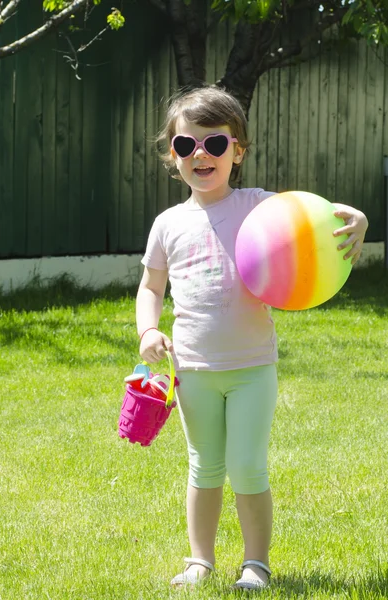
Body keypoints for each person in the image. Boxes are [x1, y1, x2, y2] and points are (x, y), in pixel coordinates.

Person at [135, 85, 368, 591]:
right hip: (193, 368)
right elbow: (151, 286)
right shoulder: (167, 224)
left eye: (215, 145)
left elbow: (315, 220)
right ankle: (201, 560)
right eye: (186, 146)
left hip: (253, 367)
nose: (201, 155)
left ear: (237, 151)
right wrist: (148, 329)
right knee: (204, 467)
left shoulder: (259, 207)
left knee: (246, 465)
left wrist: (360, 219)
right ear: (171, 155)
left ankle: (256, 564)